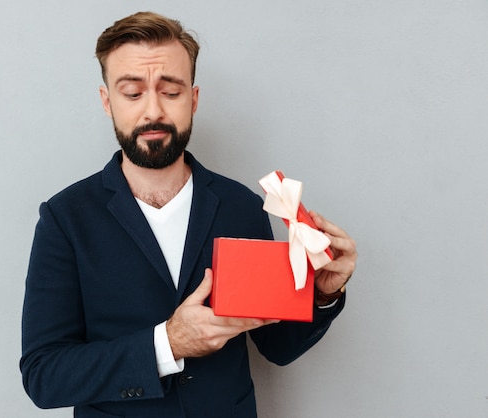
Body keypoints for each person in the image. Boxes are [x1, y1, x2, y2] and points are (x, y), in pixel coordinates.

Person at [20, 11, 357, 418]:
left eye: (171, 91)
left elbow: (278, 347)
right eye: (132, 93)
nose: (153, 111)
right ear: (107, 102)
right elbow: (45, 376)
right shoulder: (65, 218)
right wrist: (168, 343)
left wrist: (321, 293)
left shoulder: (242, 206)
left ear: (193, 99)